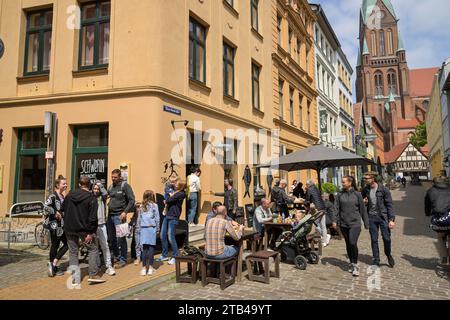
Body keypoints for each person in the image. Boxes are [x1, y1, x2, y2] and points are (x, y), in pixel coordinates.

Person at [64, 176, 105, 284]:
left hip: (70, 228)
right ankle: (93, 275)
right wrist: (91, 232)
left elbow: (63, 209)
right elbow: (93, 218)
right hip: (84, 229)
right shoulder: (91, 198)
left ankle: (75, 278)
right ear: (90, 185)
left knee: (73, 252)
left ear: (79, 184)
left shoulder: (69, 195)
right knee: (93, 249)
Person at [332, 176, 369, 277]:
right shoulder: (339, 195)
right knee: (348, 244)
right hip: (343, 224)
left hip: (355, 223)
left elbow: (363, 209)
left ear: (350, 183)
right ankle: (351, 262)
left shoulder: (357, 195)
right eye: (342, 182)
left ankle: (355, 264)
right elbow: (336, 208)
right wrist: (334, 221)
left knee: (353, 242)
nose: (342, 184)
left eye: (344, 182)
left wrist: (366, 223)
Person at [361, 172, 396, 268]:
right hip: (371, 218)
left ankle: (388, 254)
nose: (365, 180)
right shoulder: (365, 190)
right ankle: (376, 259)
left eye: (366, 178)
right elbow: (361, 201)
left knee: (386, 238)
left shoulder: (383, 190)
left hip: (383, 217)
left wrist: (391, 219)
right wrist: (364, 202)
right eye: (364, 178)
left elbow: (390, 205)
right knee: (374, 239)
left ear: (373, 179)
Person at [107, 169, 136, 268]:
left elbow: (132, 200)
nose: (113, 179)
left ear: (119, 177)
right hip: (110, 216)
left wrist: (125, 212)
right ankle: (116, 257)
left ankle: (123, 259)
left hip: (120, 216)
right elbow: (106, 195)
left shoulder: (125, 186)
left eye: (115, 177)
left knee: (121, 238)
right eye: (112, 177)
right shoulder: (111, 187)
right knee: (112, 239)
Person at [44, 175, 69, 277]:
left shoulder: (63, 196)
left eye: (66, 183)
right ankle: (53, 266)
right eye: (64, 184)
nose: (66, 185)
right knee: (55, 245)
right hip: (54, 225)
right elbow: (45, 207)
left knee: (67, 243)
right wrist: (55, 213)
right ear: (58, 185)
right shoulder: (53, 196)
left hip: (61, 225)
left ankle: (53, 263)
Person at [158, 180, 186, 265]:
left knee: (171, 237)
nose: (175, 184)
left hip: (173, 216)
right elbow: (166, 187)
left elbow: (168, 200)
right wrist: (170, 184)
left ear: (180, 186)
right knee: (162, 235)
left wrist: (167, 199)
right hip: (167, 215)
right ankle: (165, 254)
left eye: (176, 183)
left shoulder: (181, 194)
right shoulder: (174, 191)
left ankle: (175, 256)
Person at [425, 176, 450, 266]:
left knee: (440, 237)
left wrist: (427, 213)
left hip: (440, 221)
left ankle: (444, 257)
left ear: (434, 183)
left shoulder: (430, 191)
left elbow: (427, 205)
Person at [92, 182, 116, 276]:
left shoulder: (102, 197)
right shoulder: (90, 198)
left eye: (98, 189)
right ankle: (97, 265)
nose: (96, 190)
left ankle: (108, 266)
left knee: (105, 245)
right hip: (93, 225)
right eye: (95, 188)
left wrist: (100, 184)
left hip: (102, 224)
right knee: (95, 247)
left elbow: (105, 193)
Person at [137, 190, 160, 276]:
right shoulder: (155, 206)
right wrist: (158, 228)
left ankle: (143, 269)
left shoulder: (141, 206)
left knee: (144, 249)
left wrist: (138, 229)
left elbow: (139, 219)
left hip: (143, 229)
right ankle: (150, 268)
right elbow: (157, 218)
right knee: (151, 248)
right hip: (152, 228)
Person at [305, 179, 327, 246]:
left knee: (313, 223)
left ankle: (310, 239)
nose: (306, 186)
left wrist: (305, 205)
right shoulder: (316, 188)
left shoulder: (309, 190)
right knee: (323, 225)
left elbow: (307, 200)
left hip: (316, 209)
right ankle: (324, 241)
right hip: (323, 207)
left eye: (306, 185)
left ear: (309, 184)